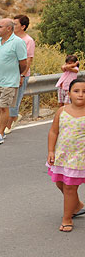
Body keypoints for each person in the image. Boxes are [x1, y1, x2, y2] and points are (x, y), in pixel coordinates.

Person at [47, 78, 85, 233]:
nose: (81, 95)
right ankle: (77, 205)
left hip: (79, 158)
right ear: (69, 93)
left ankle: (67, 218)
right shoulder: (62, 111)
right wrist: (51, 150)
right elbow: (54, 131)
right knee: (60, 183)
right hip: (62, 156)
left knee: (70, 187)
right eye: (76, 91)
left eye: (84, 92)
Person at [0, 18, 27, 145]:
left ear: (9, 28)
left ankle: (1, 133)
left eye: (0, 27)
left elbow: (23, 62)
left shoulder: (18, 42)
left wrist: (18, 75)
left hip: (9, 81)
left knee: (4, 107)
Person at [5, 14, 36, 134]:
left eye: (15, 24)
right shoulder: (10, 38)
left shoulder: (28, 41)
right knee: (7, 100)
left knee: (15, 100)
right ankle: (9, 121)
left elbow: (28, 60)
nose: (13, 26)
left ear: (23, 26)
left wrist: (22, 75)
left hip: (20, 75)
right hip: (8, 74)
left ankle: (10, 123)